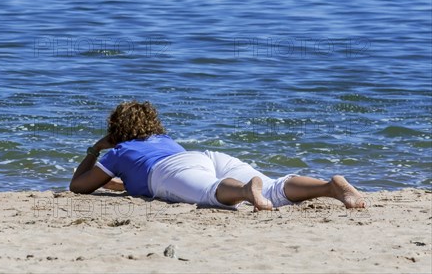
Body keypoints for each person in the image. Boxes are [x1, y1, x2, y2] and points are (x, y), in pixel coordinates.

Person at [70, 101, 365, 210]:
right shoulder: (164, 140)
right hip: (205, 157)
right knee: (274, 188)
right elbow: (133, 184)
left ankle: (247, 191)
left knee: (212, 192)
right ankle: (330, 186)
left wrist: (96, 148)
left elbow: (78, 186)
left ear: (116, 130)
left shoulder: (119, 151)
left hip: (168, 172)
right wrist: (119, 186)